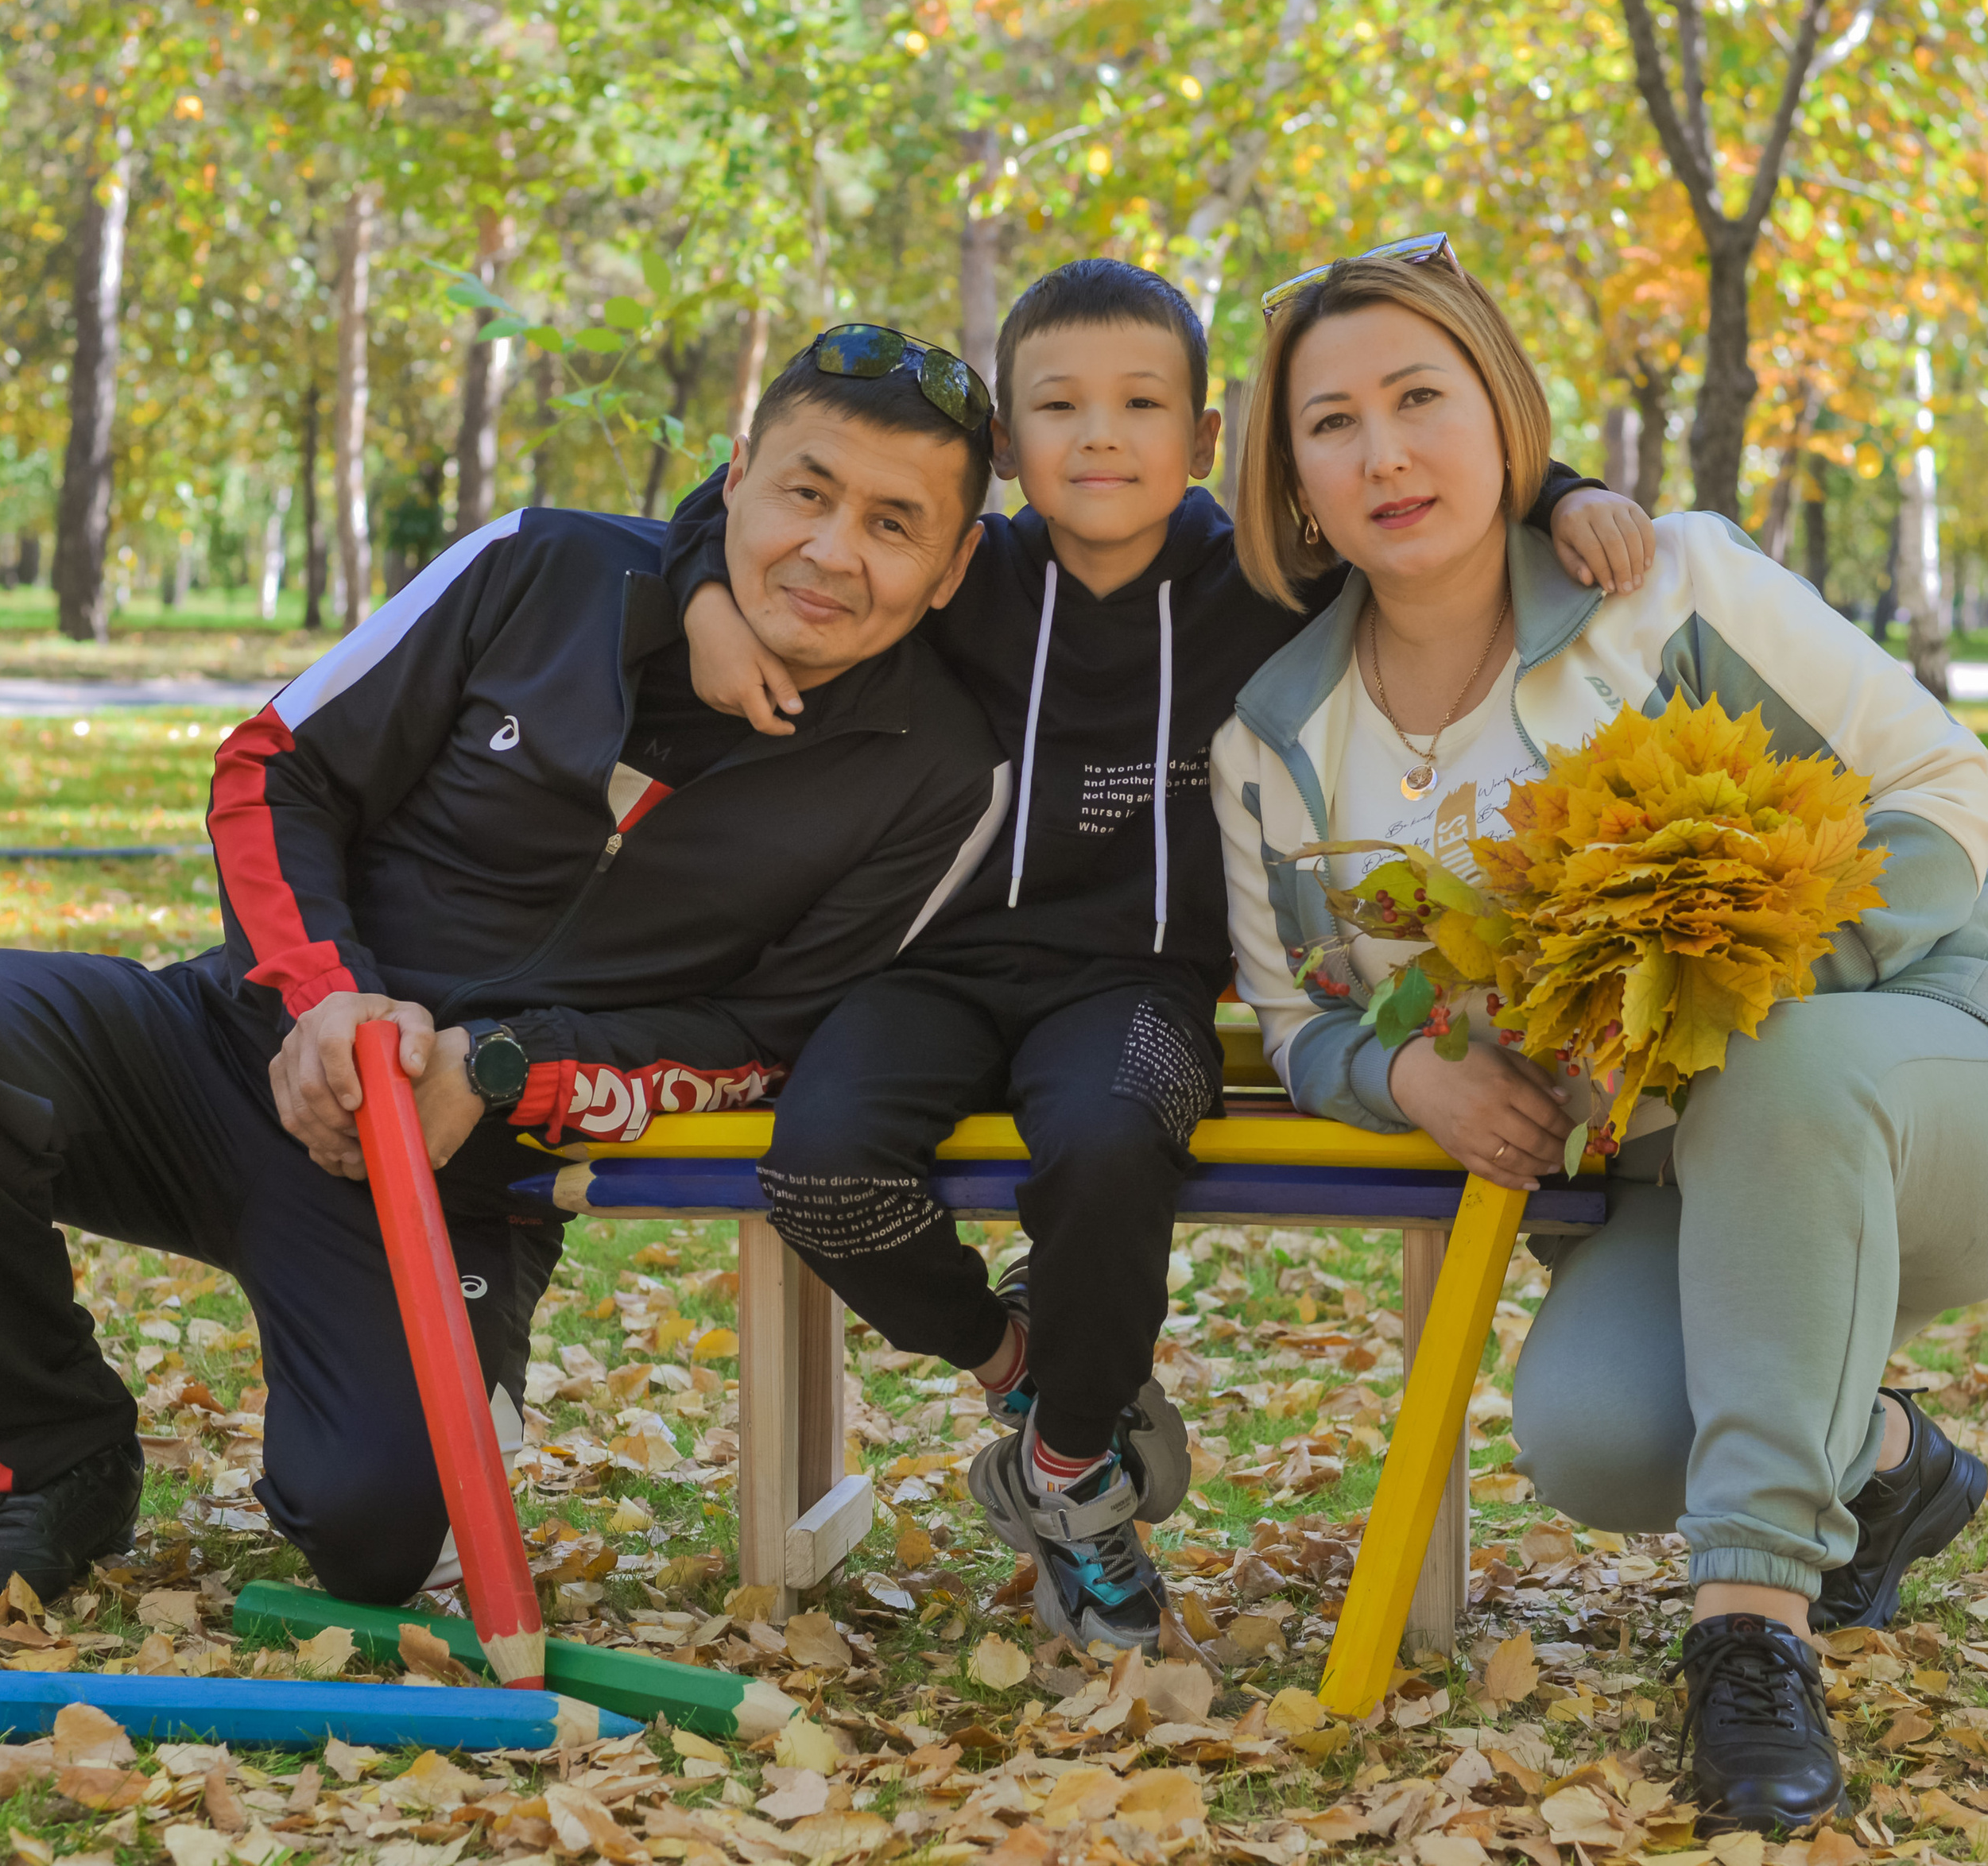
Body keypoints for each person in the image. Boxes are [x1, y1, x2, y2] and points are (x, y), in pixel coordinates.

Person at [672, 257, 1649, 1649]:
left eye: (1142, 405)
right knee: (819, 1169)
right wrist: (709, 599)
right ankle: (1028, 1363)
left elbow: (1436, 495)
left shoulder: (1262, 575)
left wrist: (1568, 494)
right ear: (1007, 447)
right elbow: (744, 500)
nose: (1101, 436)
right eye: (1058, 407)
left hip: (1134, 985)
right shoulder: (965, 571)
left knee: (1115, 1143)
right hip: (926, 973)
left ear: (1202, 441)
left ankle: (1073, 1483)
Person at [1213, 243, 1988, 1830]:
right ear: (1291, 483)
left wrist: (1715, 991)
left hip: (1929, 1071)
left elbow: (1952, 797)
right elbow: (1298, 1011)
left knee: (1781, 1063)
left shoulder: (1669, 583)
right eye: (1329, 423)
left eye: (1416, 398)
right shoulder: (1270, 741)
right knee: (1596, 1438)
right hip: (1667, 1186)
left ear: (1504, 416)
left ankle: (1747, 1638)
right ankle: (1876, 1460)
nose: (1382, 451)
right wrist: (1400, 1066)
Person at [0, 338, 1010, 1607]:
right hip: (225, 1046)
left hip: (459, 1181)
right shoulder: (543, 564)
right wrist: (325, 998)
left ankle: (414, 1403)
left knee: (381, 1538)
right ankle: (51, 1454)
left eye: (894, 522)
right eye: (808, 492)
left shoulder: (943, 774)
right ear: (739, 473)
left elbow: (767, 1036)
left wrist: (504, 1069)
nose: (831, 550)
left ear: (956, 564)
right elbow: (276, 764)